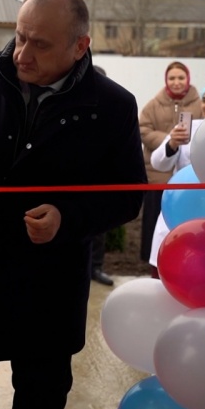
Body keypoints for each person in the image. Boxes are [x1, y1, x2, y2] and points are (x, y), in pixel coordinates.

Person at [0, 0, 146, 409]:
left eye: (40, 44)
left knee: (41, 403)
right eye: (20, 36)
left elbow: (127, 195)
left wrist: (67, 217)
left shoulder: (112, 105)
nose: (22, 54)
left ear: (80, 46)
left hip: (50, 289)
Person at [147, 83, 205, 267]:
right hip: (182, 207)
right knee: (174, 262)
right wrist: (172, 144)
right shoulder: (188, 127)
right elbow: (158, 163)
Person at [138, 61, 201, 265]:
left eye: (180, 78)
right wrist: (169, 140)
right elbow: (143, 129)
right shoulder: (154, 104)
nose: (176, 82)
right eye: (172, 78)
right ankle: (153, 260)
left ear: (188, 80)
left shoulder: (199, 104)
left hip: (187, 175)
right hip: (157, 173)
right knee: (154, 220)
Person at [89, 64, 114, 287]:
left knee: (98, 227)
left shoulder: (112, 110)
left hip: (99, 179)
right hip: (71, 181)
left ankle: (96, 267)